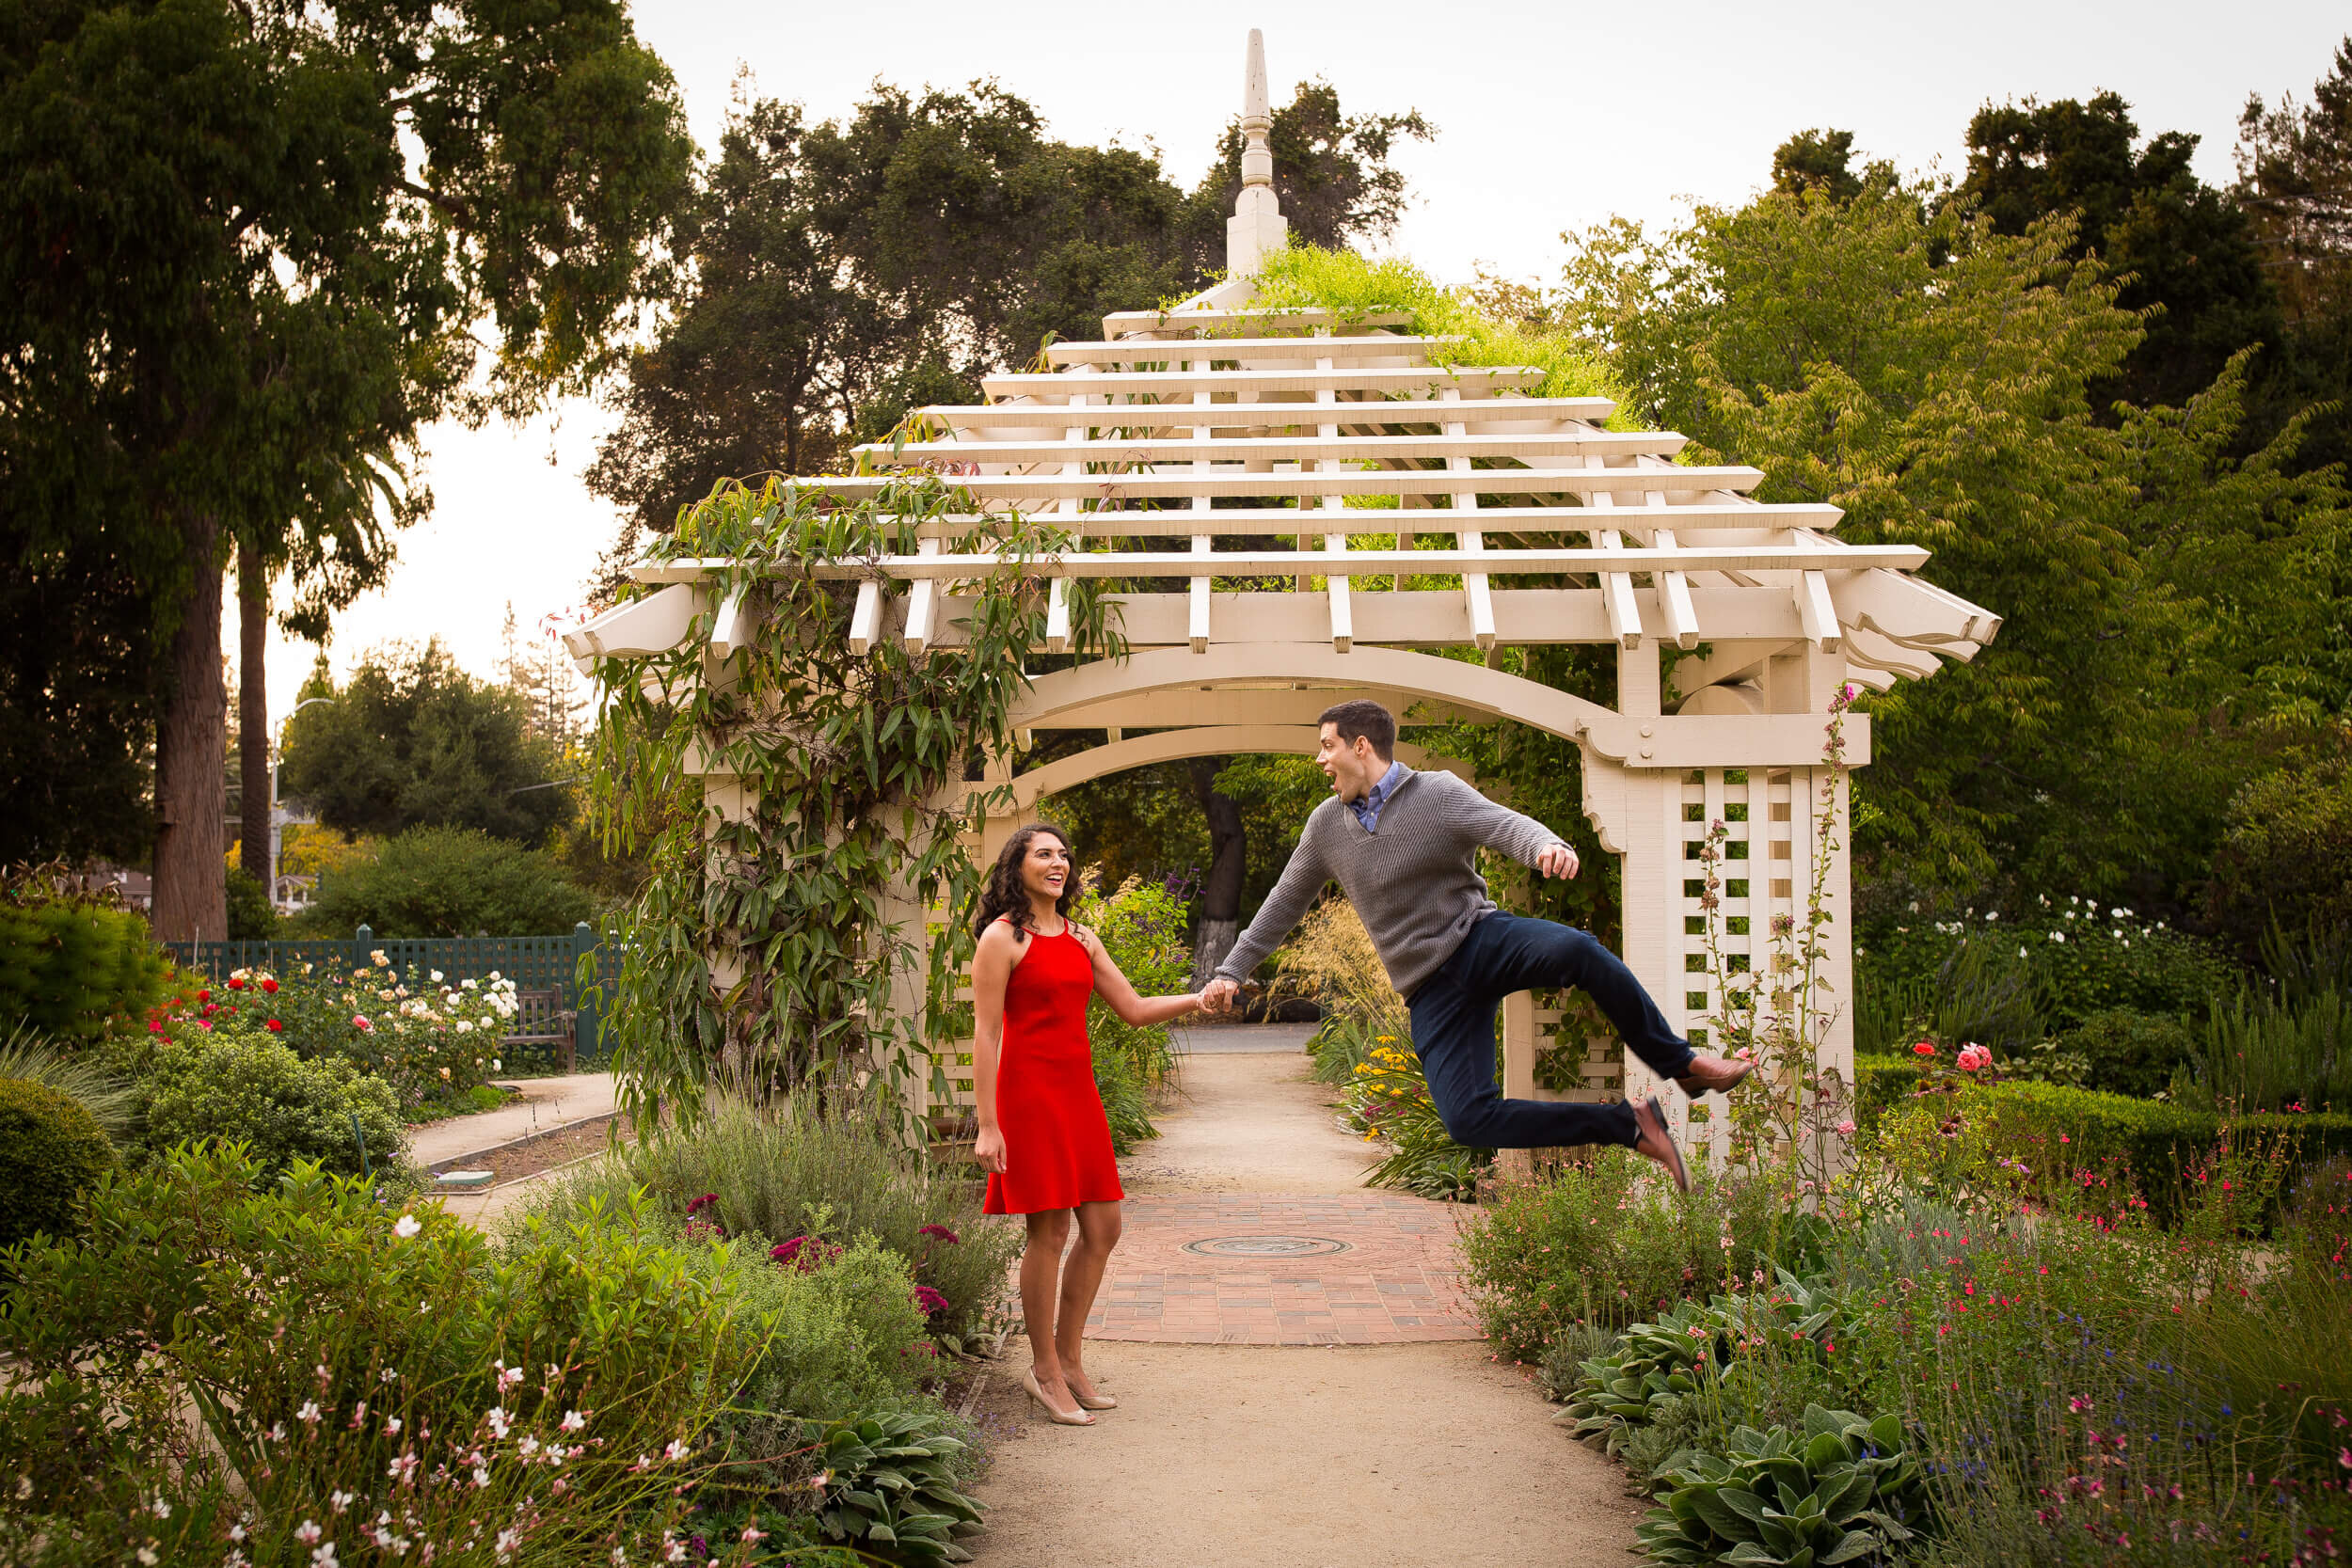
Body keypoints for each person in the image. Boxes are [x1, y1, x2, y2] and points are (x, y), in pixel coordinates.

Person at [1200, 701, 1751, 1192]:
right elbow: (1282, 903)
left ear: (1360, 746)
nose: (1320, 760)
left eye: (1327, 746)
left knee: (1580, 951)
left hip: (1479, 939)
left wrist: (1546, 845)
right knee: (1469, 1121)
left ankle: (1680, 1063)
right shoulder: (1326, 827)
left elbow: (1502, 824)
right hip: (1429, 988)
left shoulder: (1436, 793)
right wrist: (1231, 970)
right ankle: (1631, 1126)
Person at [972, 822, 1206, 1426]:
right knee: (1046, 1235)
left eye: (1063, 854)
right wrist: (988, 1125)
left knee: (1103, 1228)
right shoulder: (1003, 938)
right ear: (1016, 868)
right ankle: (1045, 1370)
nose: (1058, 863)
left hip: (1078, 1098)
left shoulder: (1083, 939)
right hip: (1029, 1099)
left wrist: (1196, 999)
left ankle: (1071, 1363)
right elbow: (986, 1032)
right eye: (1043, 854)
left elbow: (1131, 1009)